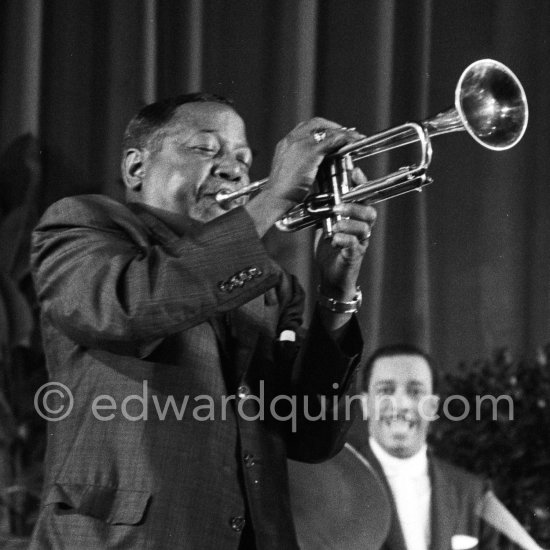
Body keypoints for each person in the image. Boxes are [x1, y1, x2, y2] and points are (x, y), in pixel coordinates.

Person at [28, 92, 377, 549]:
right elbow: (129, 308)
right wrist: (273, 197)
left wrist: (336, 298)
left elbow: (310, 435)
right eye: (206, 149)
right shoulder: (84, 226)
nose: (233, 169)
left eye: (243, 159)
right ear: (136, 168)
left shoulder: (271, 286)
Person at [350, 344, 502, 550]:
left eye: (415, 392)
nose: (401, 404)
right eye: (385, 390)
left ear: (432, 406)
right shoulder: (336, 484)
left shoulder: (472, 493)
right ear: (365, 404)